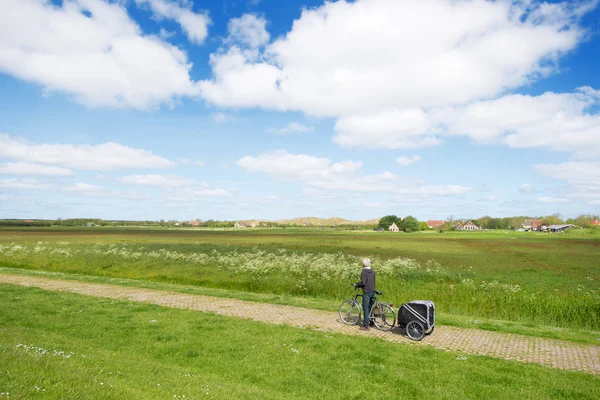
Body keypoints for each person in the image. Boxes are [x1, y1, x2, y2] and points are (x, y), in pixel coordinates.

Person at [355, 258, 376, 331]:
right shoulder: (373, 271)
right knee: (370, 307)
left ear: (363, 264)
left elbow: (363, 283)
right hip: (372, 291)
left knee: (365, 308)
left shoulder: (364, 272)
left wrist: (357, 285)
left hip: (366, 291)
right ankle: (371, 322)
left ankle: (366, 326)